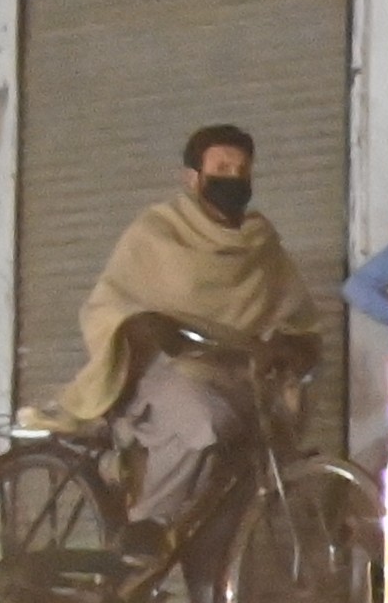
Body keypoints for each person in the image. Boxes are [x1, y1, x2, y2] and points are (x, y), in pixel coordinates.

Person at [52, 122, 328, 575]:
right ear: (192, 177)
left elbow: (298, 318)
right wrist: (146, 326)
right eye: (221, 168)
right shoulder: (157, 232)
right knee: (206, 420)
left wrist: (290, 345)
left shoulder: (261, 243)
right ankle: (146, 523)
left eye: (241, 170)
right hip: (163, 374)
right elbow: (110, 305)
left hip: (239, 378)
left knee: (240, 486)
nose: (232, 179)